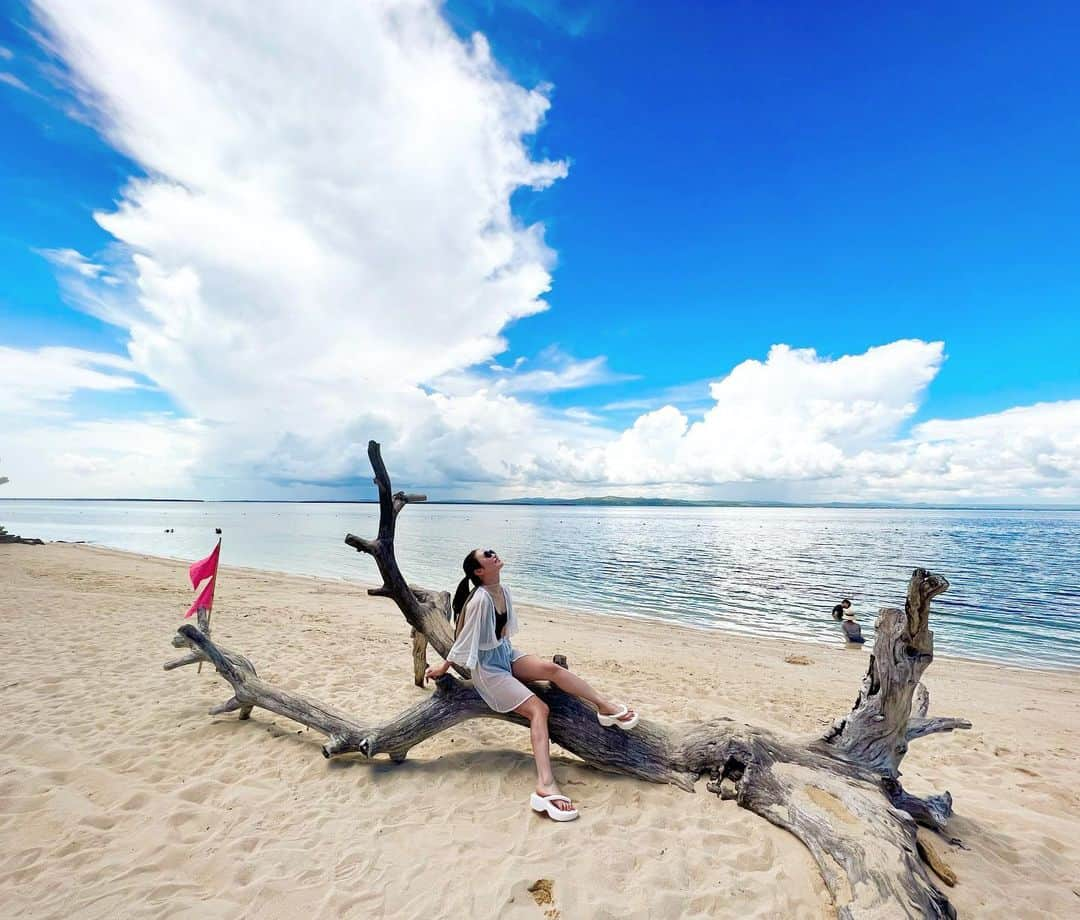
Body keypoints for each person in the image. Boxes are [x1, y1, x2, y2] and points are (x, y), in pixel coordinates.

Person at [423, 548, 640, 823]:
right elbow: (464, 639)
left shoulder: (503, 591)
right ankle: (545, 785)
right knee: (539, 709)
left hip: (505, 654)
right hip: (488, 670)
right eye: (487, 555)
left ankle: (605, 707)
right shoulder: (479, 600)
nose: (494, 554)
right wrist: (444, 667)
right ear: (479, 571)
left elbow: (501, 635)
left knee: (553, 669)